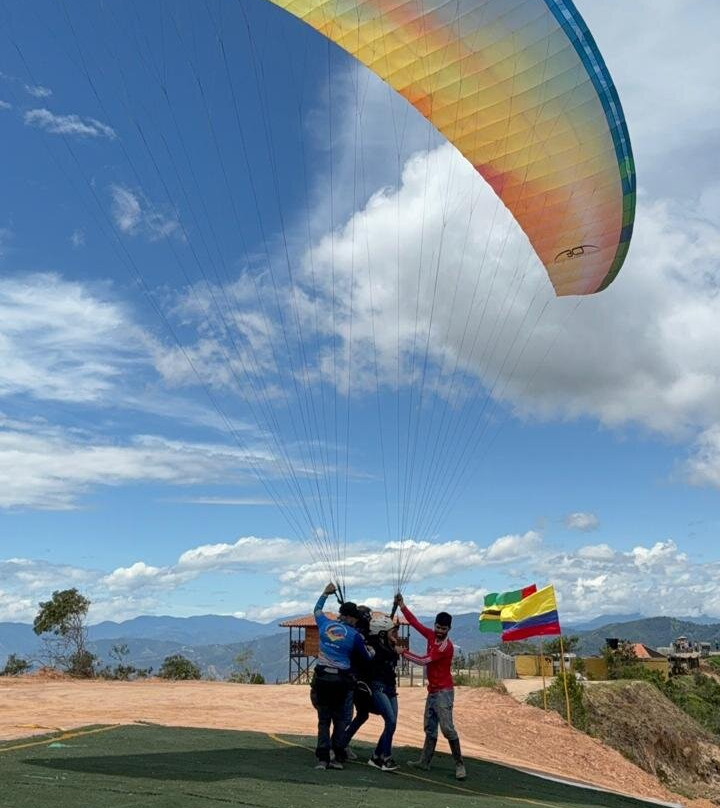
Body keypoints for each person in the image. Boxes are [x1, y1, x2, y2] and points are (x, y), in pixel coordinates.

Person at [394, 593, 466, 780]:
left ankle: (460, 764)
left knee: (447, 728)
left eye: (443, 628)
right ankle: (425, 761)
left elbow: (424, 660)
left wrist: (404, 653)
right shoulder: (431, 635)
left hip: (443, 691)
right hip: (433, 690)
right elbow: (415, 623)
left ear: (449, 629)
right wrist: (402, 606)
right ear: (435, 626)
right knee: (430, 726)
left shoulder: (445, 647)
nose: (440, 631)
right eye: (438, 627)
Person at [311, 582, 373, 770]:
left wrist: (325, 593)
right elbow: (366, 657)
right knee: (340, 720)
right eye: (354, 617)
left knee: (323, 720)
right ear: (350, 617)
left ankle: (322, 758)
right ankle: (337, 757)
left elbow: (317, 611)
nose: (355, 620)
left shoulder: (325, 625)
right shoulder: (354, 636)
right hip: (341, 681)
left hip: (321, 679)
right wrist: (371, 651)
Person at [343, 614, 400, 772]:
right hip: (377, 687)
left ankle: (376, 756)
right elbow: (381, 657)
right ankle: (385, 758)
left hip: (390, 688)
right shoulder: (374, 647)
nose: (394, 635)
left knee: (392, 722)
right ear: (382, 633)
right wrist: (395, 650)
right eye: (390, 632)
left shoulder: (387, 645)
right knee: (389, 720)